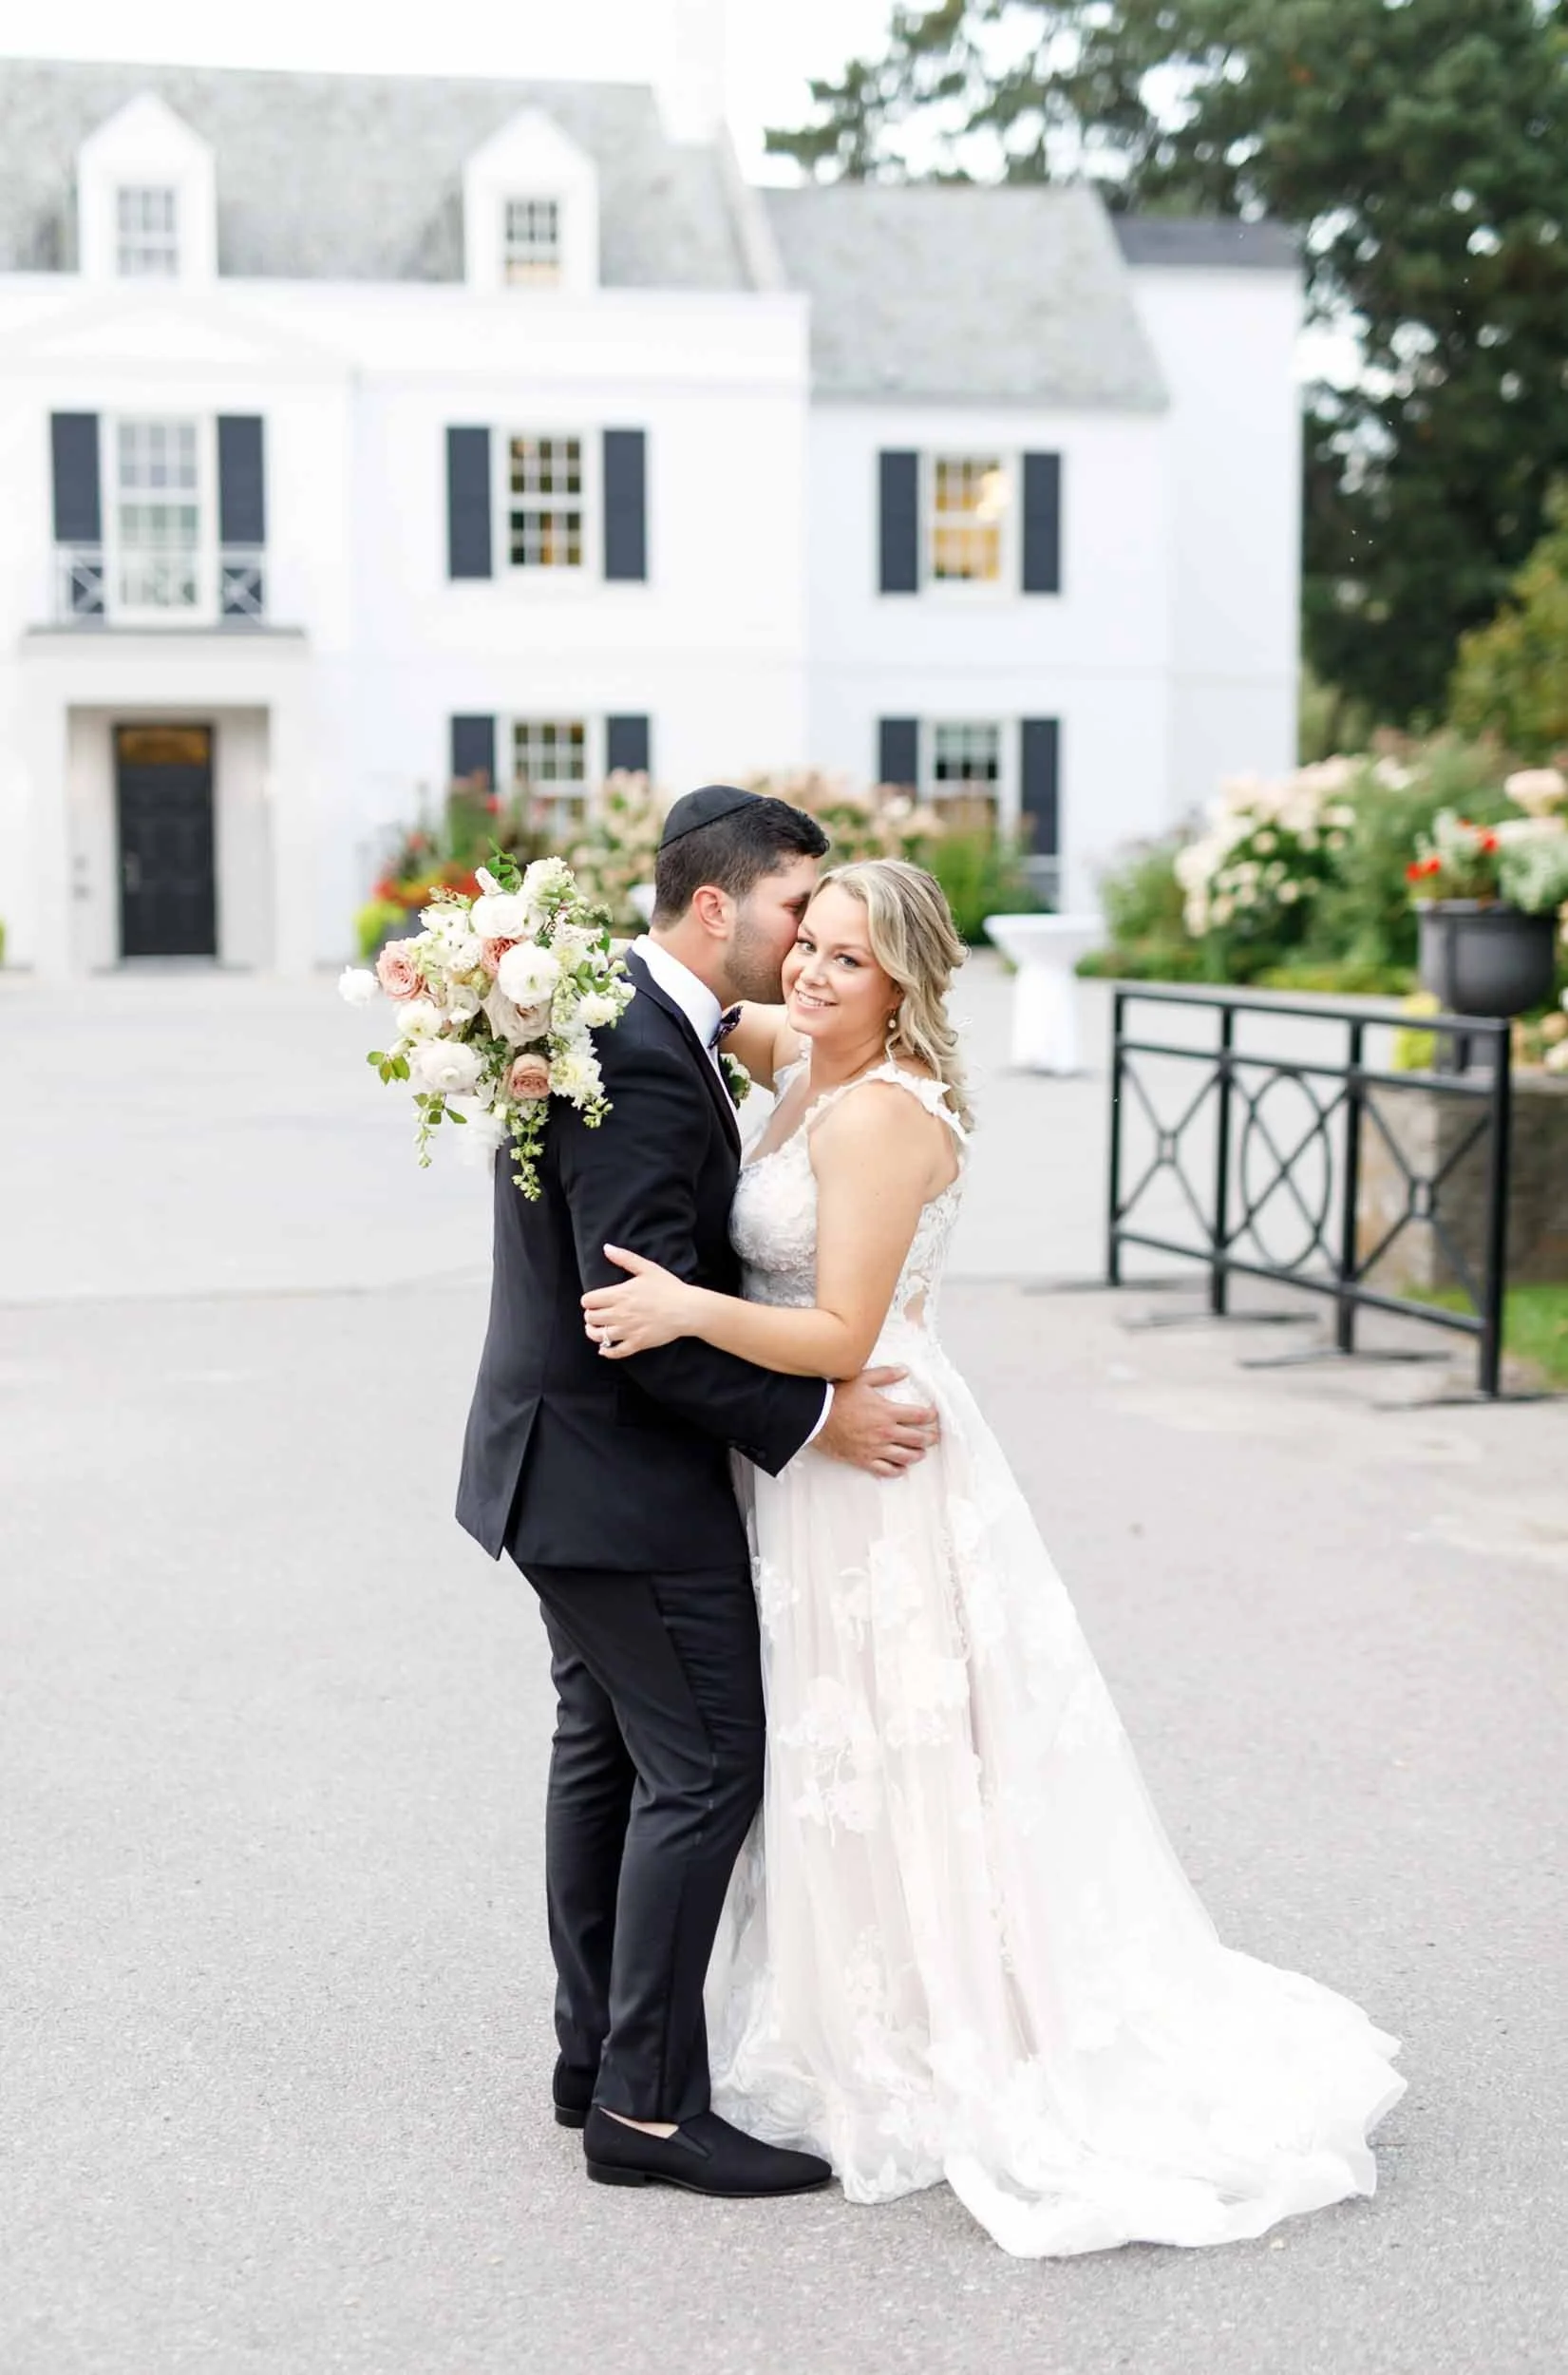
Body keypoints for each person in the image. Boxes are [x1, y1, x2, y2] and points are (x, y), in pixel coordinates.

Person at [581, 855, 1407, 2257]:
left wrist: (685, 1308)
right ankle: (845, 2005)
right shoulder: (807, 1058)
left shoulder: (880, 1116)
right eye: (808, 942)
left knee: (890, 1738)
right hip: (800, 1462)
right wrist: (510, 1002)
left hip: (867, 1449)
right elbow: (668, 1010)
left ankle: (930, 2024)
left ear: (901, 985)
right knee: (827, 1737)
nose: (810, 971)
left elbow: (840, 1335)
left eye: (848, 958)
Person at [456, 788, 941, 2199]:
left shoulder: (630, 1010)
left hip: (561, 1463)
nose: (806, 942)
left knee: (608, 1754)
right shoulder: (639, 1048)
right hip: (618, 1477)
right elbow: (638, 1317)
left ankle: (597, 2062)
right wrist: (817, 1418)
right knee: (709, 1766)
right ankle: (650, 2110)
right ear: (718, 905)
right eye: (797, 910)